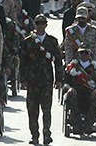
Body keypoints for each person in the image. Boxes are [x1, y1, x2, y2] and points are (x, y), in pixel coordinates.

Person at [21, 14, 63, 145]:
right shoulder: (28, 41)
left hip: (46, 80)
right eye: (37, 23)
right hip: (32, 80)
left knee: (46, 110)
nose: (39, 25)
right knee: (32, 110)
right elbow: (23, 62)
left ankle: (46, 134)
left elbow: (58, 61)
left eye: (42, 23)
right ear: (34, 24)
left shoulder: (52, 41)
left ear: (46, 25)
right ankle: (34, 135)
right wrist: (23, 79)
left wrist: (59, 79)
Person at [63, 47, 96, 135]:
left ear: (90, 54)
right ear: (78, 54)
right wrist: (69, 88)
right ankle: (77, 125)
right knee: (70, 95)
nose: (84, 55)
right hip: (76, 92)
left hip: (90, 93)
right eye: (82, 53)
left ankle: (88, 125)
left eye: (86, 53)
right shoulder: (72, 67)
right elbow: (65, 82)